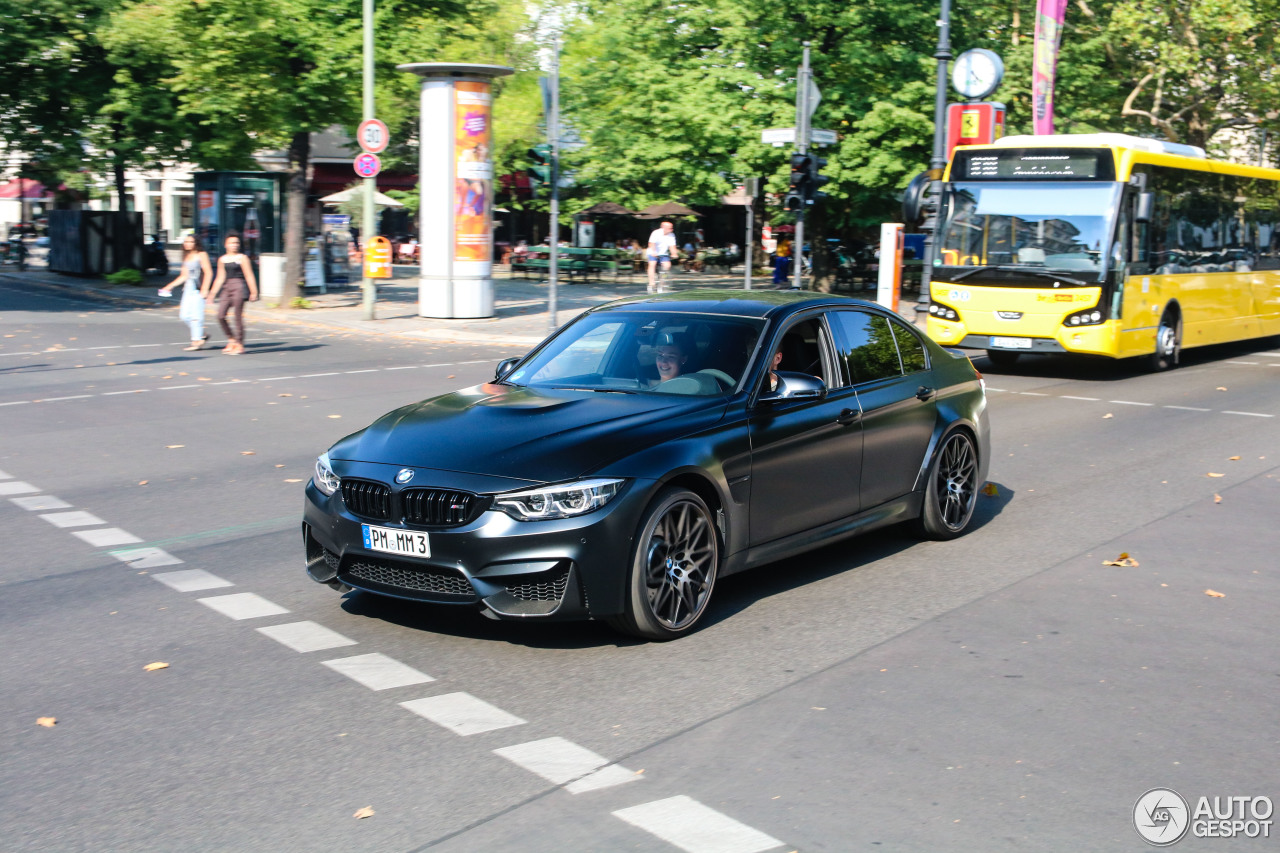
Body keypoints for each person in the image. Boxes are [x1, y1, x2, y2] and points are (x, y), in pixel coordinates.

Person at [159, 233, 213, 351]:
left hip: (198, 288)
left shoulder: (202, 255)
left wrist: (205, 289)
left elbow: (208, 272)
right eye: (186, 242)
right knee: (184, 315)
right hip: (188, 288)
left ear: (196, 243)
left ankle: (196, 341)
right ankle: (201, 334)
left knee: (196, 316)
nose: (188, 244)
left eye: (191, 242)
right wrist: (169, 286)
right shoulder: (186, 256)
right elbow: (184, 276)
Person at [208, 232, 258, 355]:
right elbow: (219, 277)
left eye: (236, 243)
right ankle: (231, 339)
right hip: (226, 287)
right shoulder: (222, 259)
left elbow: (249, 275)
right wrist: (212, 294)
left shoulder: (242, 258)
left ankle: (239, 344)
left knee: (237, 316)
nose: (234, 245)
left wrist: (254, 291)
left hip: (239, 286)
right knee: (220, 315)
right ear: (225, 244)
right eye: (231, 243)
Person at [646, 220, 678, 293]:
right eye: (670, 228)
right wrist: (654, 252)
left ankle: (662, 283)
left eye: (672, 228)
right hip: (653, 251)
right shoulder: (656, 233)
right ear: (663, 227)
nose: (671, 230)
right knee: (652, 264)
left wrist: (674, 253)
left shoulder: (671, 235)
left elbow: (672, 246)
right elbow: (651, 243)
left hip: (663, 253)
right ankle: (652, 283)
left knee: (667, 265)